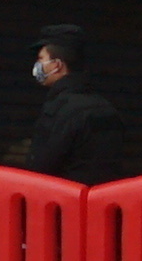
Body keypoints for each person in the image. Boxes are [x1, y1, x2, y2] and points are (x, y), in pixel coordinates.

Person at [18, 22, 127, 184]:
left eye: (41, 59)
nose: (38, 65)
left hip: (66, 202)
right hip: (103, 203)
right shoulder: (106, 108)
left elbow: (42, 166)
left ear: (57, 65)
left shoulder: (60, 109)